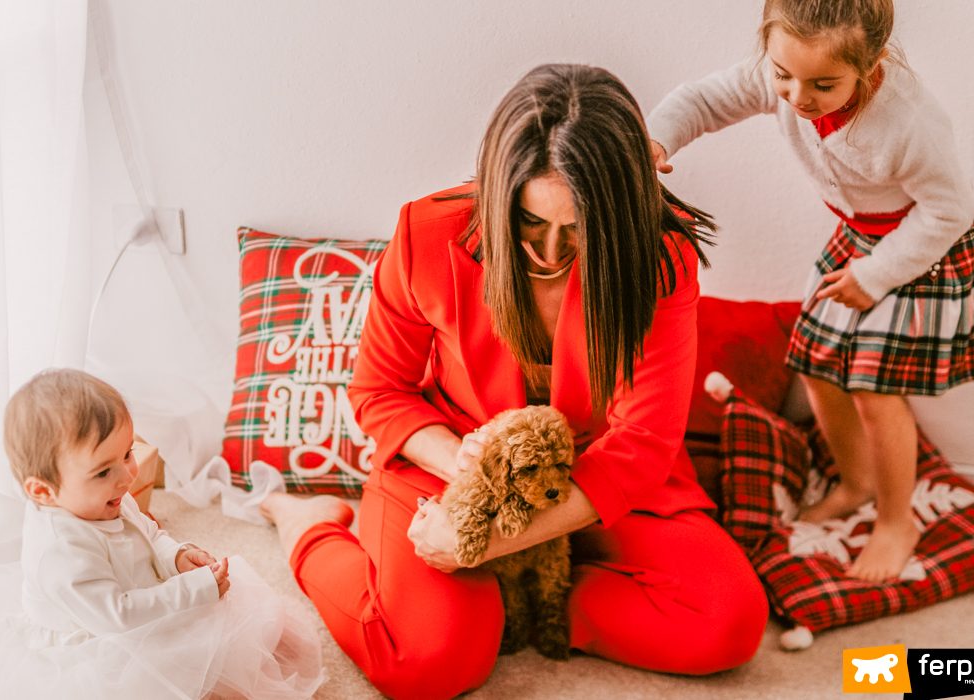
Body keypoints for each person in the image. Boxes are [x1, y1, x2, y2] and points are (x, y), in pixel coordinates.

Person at [260, 63, 769, 699]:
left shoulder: (661, 257)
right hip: (451, 466)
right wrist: (463, 465)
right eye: (531, 221)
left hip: (596, 474)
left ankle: (523, 605)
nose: (551, 253)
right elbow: (379, 393)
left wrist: (490, 542)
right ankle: (306, 527)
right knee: (429, 666)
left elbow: (641, 442)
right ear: (501, 193)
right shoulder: (427, 233)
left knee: (729, 625)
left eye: (579, 227)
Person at [647, 0, 974, 582]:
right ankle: (857, 483)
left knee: (874, 390)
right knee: (816, 363)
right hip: (858, 237)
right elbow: (703, 100)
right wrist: (656, 140)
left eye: (823, 85)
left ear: (871, 66)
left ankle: (898, 521)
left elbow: (949, 210)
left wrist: (874, 276)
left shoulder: (908, 121)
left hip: (920, 248)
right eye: (782, 76)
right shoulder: (781, 70)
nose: (797, 96)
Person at [0, 369, 324, 699]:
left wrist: (176, 557)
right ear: (42, 490)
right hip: (101, 642)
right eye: (103, 470)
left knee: (262, 634)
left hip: (143, 605)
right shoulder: (62, 554)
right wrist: (193, 591)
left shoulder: (104, 496)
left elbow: (147, 532)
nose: (128, 475)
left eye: (128, 453)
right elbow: (119, 615)